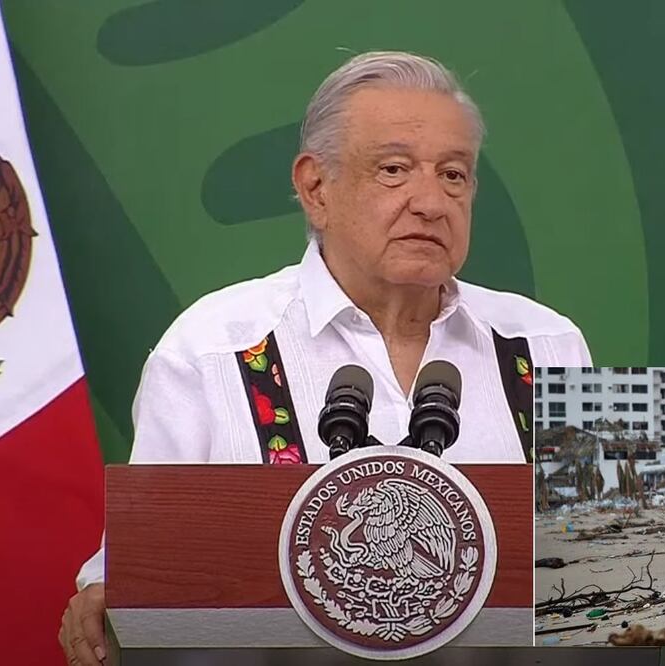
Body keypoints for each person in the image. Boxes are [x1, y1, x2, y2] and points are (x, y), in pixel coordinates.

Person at [58, 51, 591, 665]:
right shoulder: (213, 349)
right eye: (395, 169)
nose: (431, 202)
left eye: (454, 174)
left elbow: (615, 578)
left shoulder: (546, 346)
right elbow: (141, 576)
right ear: (316, 188)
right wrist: (104, 594)